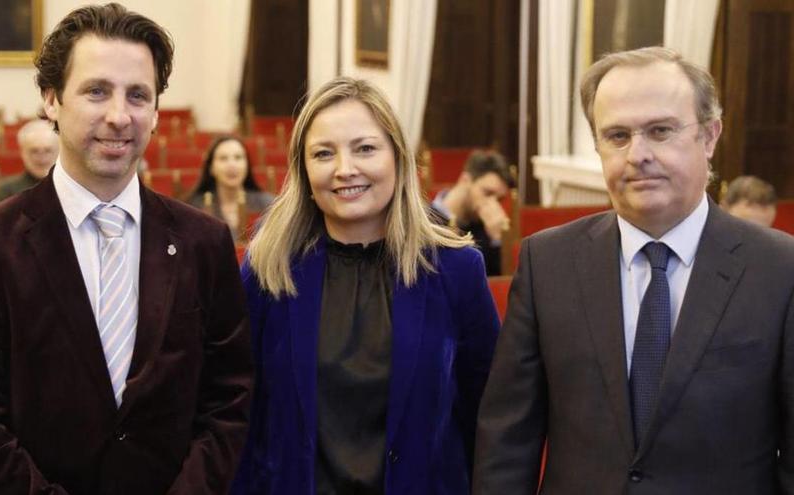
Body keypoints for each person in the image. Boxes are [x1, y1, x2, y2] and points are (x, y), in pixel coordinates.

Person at [0, 4, 252, 494]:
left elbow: (229, 399)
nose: (119, 116)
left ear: (157, 112)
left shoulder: (202, 241)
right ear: (52, 99)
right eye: (96, 91)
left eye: (138, 95)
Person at [473, 46, 794, 494]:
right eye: (617, 136)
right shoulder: (547, 263)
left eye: (660, 131)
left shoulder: (780, 270)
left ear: (709, 136)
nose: (637, 154)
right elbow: (508, 442)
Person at [232, 77, 501, 494]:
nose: (345, 169)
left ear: (397, 156)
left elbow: (486, 410)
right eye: (323, 153)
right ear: (303, 169)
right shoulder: (269, 267)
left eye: (365, 148)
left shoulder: (456, 269)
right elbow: (238, 410)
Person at [431, 150, 514, 275]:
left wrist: (496, 240)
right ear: (465, 180)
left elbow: (493, 284)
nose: (492, 204)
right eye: (487, 193)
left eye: (499, 199)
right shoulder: (426, 218)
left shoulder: (486, 227)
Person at [186, 136, 274, 239]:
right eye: (223, 158)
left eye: (238, 157)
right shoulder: (195, 208)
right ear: (211, 168)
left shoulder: (269, 205)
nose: (232, 165)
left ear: (247, 165)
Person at [0, 119, 59, 204]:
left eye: (48, 150)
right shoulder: (7, 191)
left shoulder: (72, 187)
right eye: (34, 151)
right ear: (23, 153)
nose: (42, 158)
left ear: (58, 152)